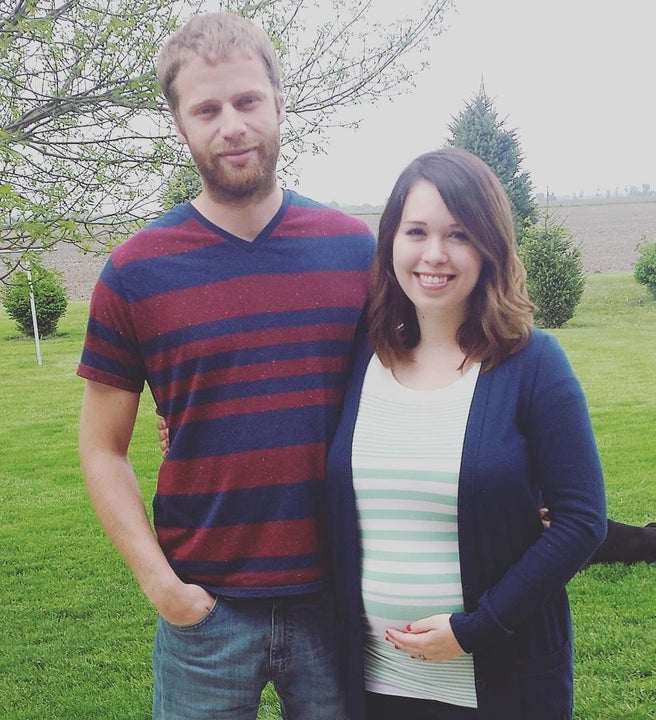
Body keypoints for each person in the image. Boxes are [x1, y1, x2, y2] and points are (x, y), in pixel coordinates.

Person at [77, 12, 375, 720]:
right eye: (206, 109)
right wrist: (162, 587)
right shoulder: (133, 273)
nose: (231, 124)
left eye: (247, 101)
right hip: (204, 615)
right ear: (181, 128)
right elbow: (101, 448)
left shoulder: (356, 252)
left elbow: (415, 392)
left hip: (337, 602)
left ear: (279, 104)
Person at [324, 147, 608, 719]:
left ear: (489, 248)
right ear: (391, 243)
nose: (434, 254)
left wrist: (476, 628)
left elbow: (582, 520)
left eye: (458, 234)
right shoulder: (359, 357)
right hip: (373, 683)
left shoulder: (532, 364)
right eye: (416, 231)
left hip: (500, 682)